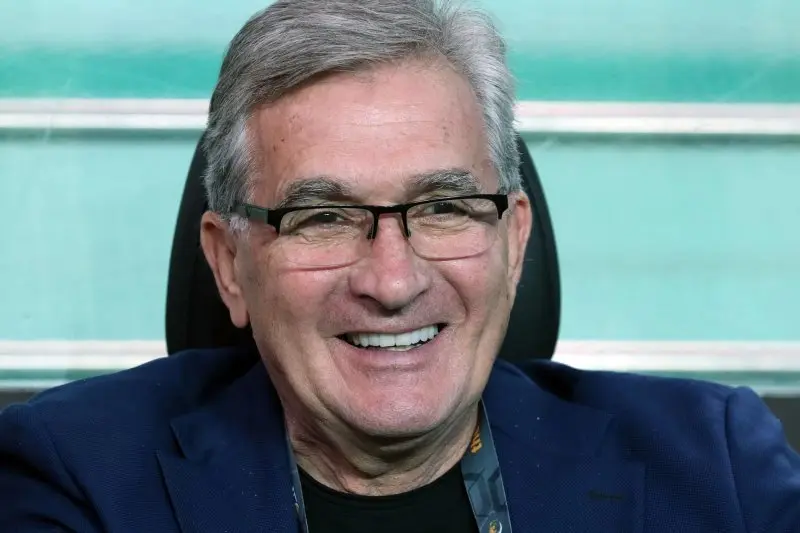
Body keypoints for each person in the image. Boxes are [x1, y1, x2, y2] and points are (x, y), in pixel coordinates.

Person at [2, 0, 799, 531]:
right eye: (322, 217)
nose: (393, 282)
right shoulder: (75, 477)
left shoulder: (716, 465)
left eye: (445, 206)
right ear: (230, 264)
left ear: (514, 242)